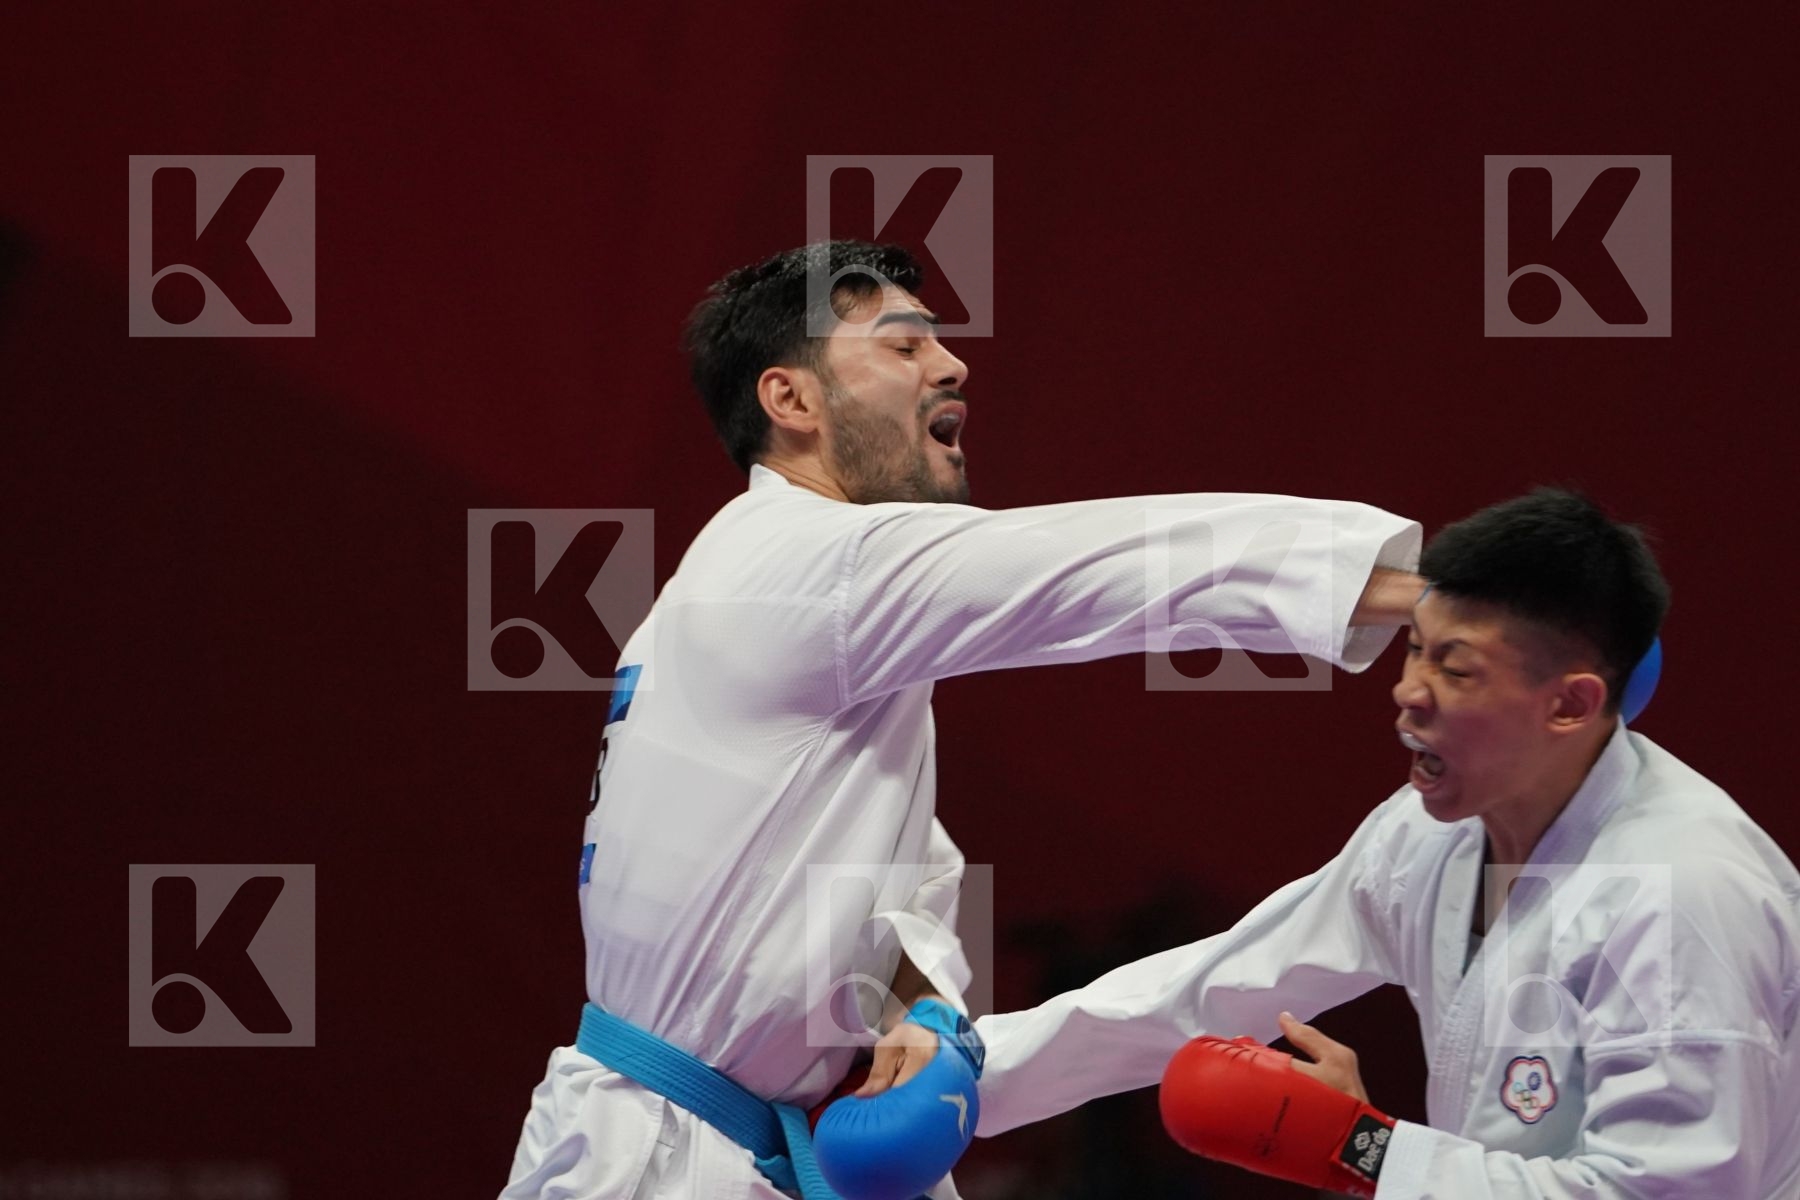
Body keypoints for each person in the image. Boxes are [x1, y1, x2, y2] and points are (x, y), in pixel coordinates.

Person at [499, 239, 1424, 1199]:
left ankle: (1380, 907)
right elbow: (1096, 569)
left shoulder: (788, 618)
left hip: (731, 1139)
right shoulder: (806, 568)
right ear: (793, 402)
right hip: (657, 1160)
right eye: (902, 347)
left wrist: (921, 1005)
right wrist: (1420, 593)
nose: (951, 364)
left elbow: (884, 885)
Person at [972, 488, 1800, 1198]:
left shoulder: (1686, 898)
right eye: (1413, 647)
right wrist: (973, 1075)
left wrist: (1360, 1147)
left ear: (1570, 705)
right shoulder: (1427, 833)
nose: (1407, 691)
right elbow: (1221, 982)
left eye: (1456, 667)